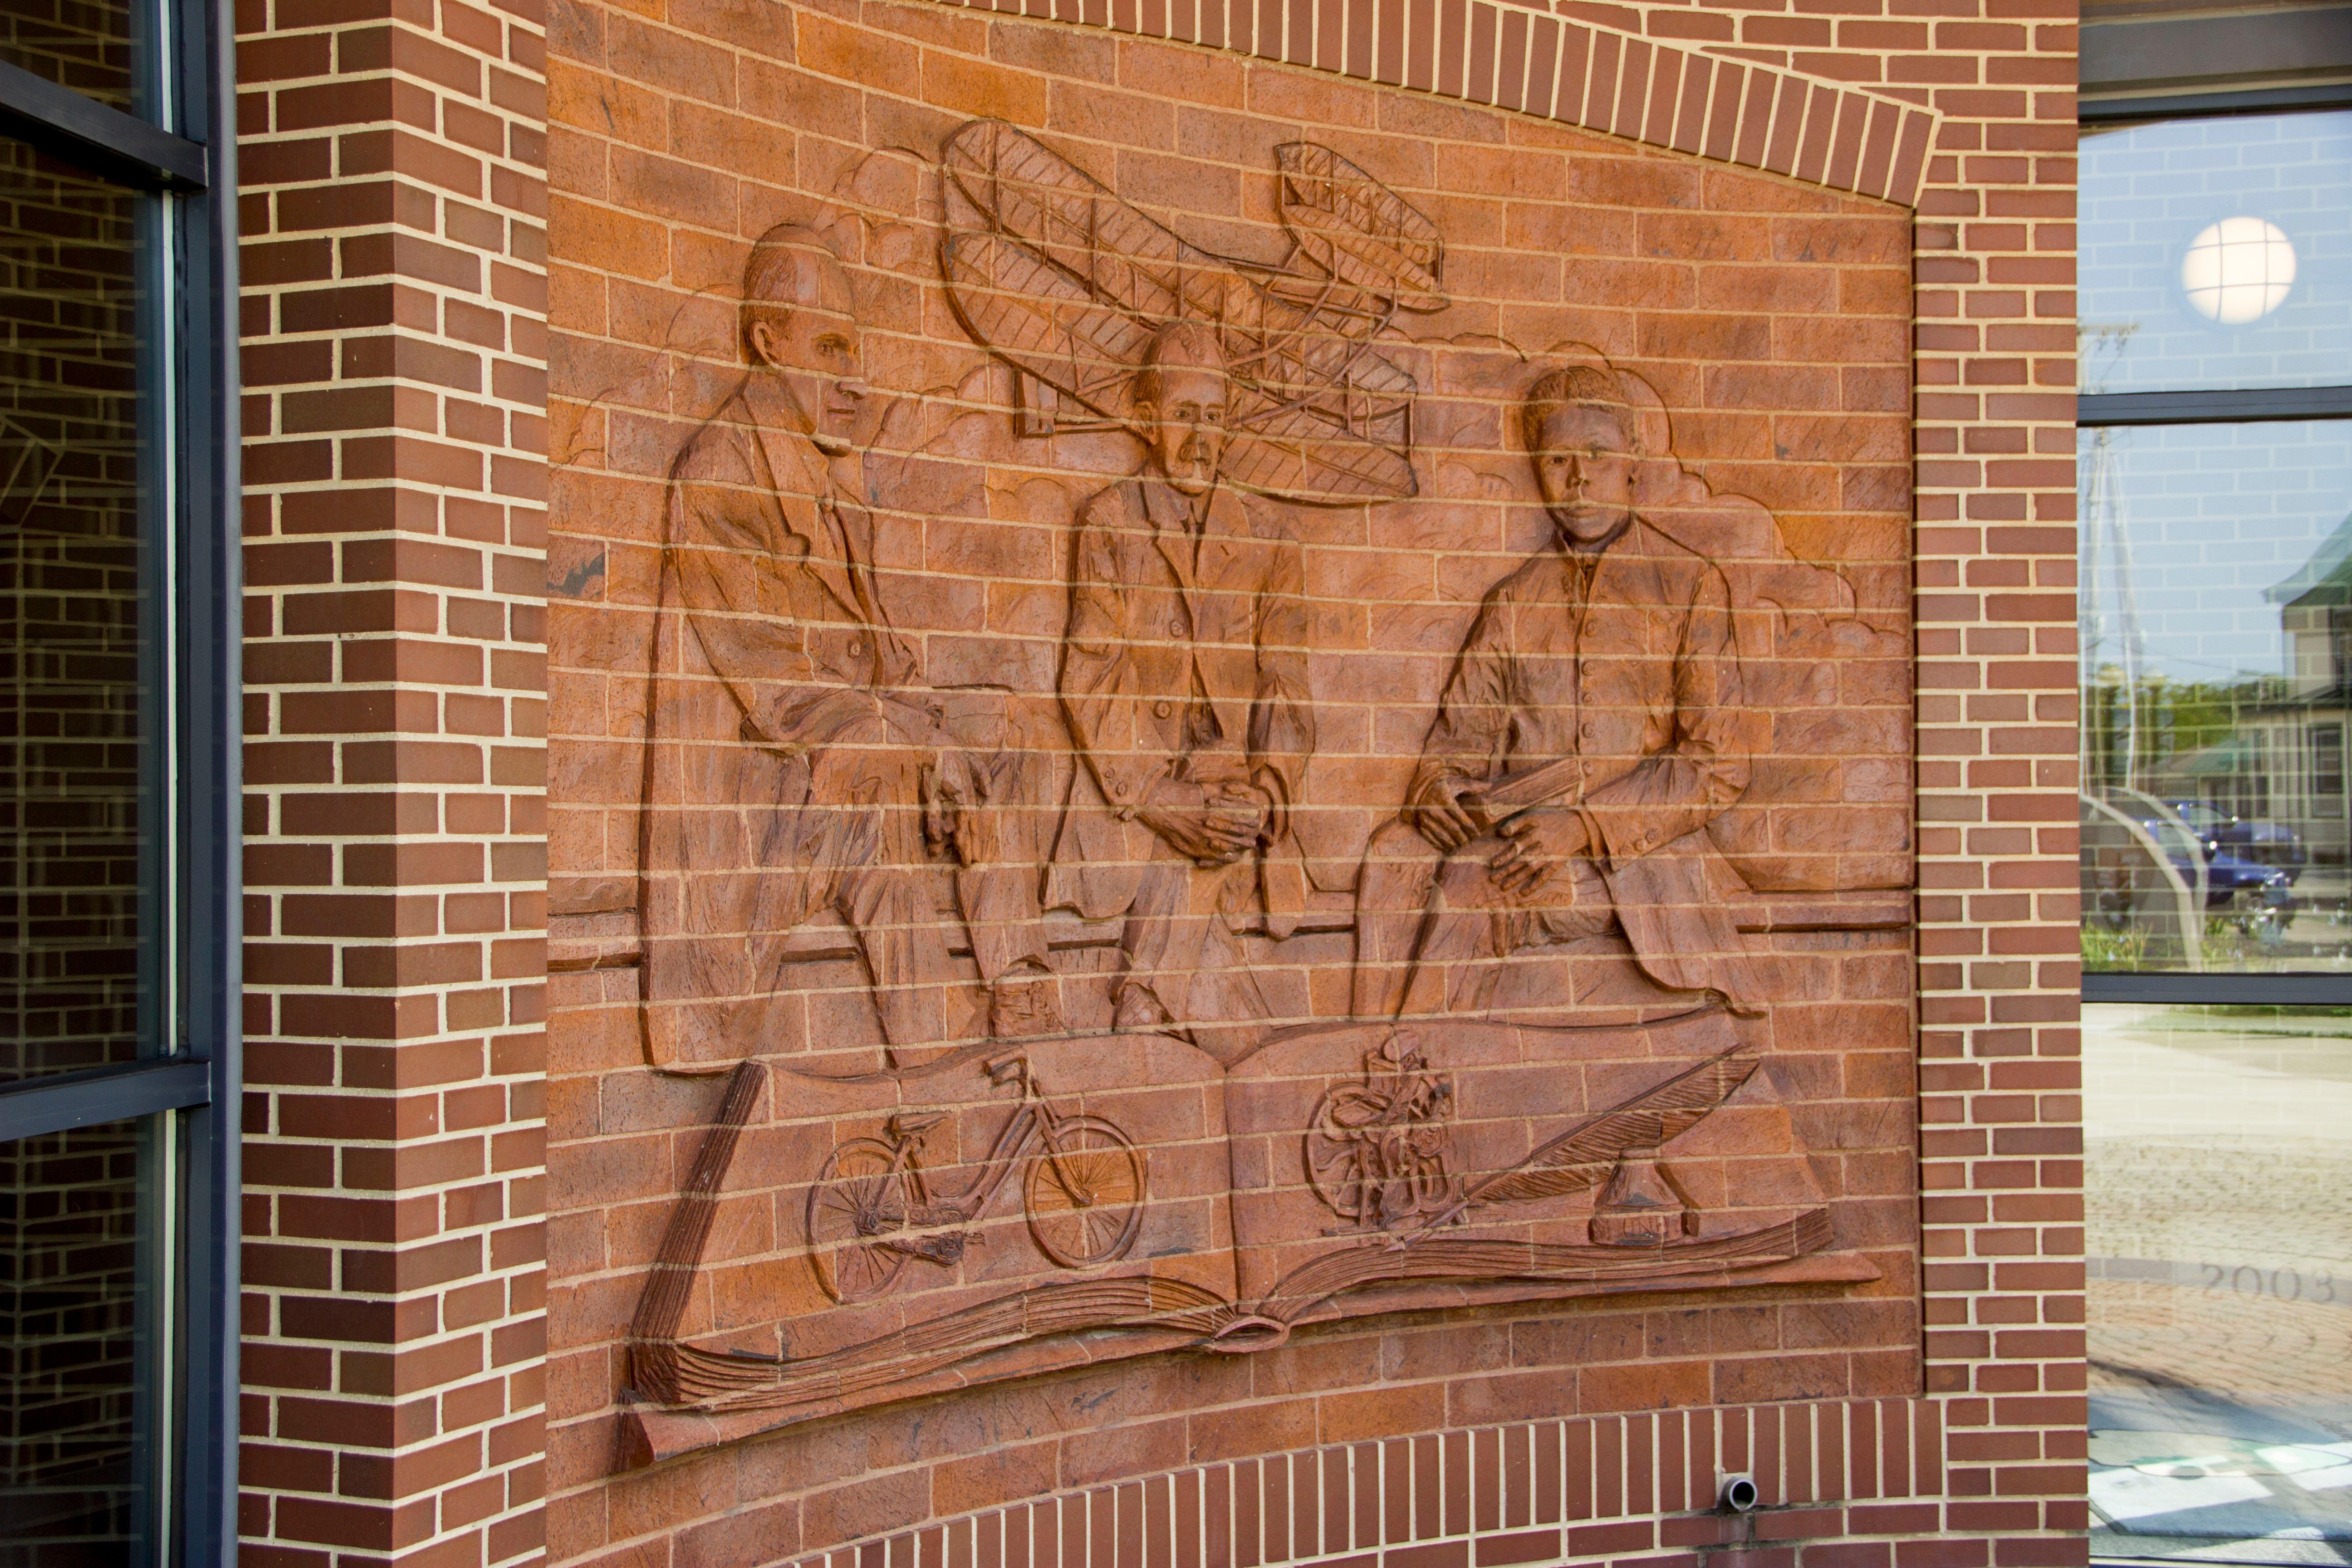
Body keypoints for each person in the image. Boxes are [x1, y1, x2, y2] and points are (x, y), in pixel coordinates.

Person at [639, 222, 1059, 1071]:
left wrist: (942, 736)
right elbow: (779, 689)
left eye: (857, 352)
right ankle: (934, 1065)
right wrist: (921, 747)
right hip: (760, 798)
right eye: (831, 348)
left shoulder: (832, 479)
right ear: (767, 341)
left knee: (1012, 735)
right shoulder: (721, 469)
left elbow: (884, 664)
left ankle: (1019, 999)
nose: (854, 381)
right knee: (882, 769)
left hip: (836, 771)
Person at [1352, 363, 1763, 1021]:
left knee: (1472, 884)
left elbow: (1717, 765)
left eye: (1597, 457)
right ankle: (1364, 1051)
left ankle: (1408, 1078)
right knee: (1391, 857)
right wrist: (1441, 794)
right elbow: (1455, 743)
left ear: (1632, 465)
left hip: (1637, 860)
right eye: (1558, 460)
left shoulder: (1690, 584)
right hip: (1517, 831)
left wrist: (1584, 826)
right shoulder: (1515, 599)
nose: (1578, 480)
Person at [1050, 321, 1314, 1063]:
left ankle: (1143, 1004)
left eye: (1215, 416)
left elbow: (1288, 690)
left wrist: (1271, 790)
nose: (1201, 436)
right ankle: (1255, 1062)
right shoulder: (1110, 520)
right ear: (1146, 416)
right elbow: (1092, 680)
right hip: (1139, 793)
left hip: (1236, 803)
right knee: (1194, 850)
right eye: (1184, 414)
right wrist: (1160, 798)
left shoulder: (1269, 538)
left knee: (1219, 828)